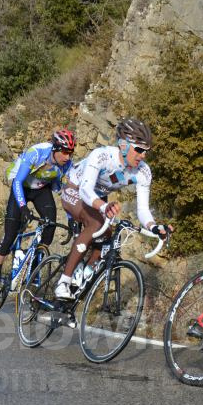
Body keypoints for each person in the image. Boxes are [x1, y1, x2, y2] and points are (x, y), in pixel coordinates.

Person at [55, 118, 172, 300]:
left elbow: (142, 209)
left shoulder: (143, 172)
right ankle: (63, 281)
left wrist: (154, 227)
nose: (143, 156)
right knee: (95, 223)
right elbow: (86, 190)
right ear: (123, 145)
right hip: (76, 189)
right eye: (139, 149)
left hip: (99, 198)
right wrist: (103, 206)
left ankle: (81, 280)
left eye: (146, 151)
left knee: (107, 235)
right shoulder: (102, 156)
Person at [0, 130, 76, 298]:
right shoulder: (36, 153)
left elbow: (67, 193)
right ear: (55, 149)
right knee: (10, 235)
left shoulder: (67, 165)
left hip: (41, 189)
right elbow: (18, 181)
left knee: (50, 227)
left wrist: (71, 219)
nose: (67, 157)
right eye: (64, 152)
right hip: (21, 187)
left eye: (70, 153)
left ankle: (33, 266)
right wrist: (23, 207)